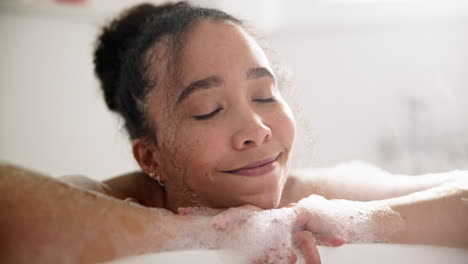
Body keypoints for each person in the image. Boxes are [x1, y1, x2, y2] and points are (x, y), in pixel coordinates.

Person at [1, 2, 467, 264]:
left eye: (265, 96)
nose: (256, 128)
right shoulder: (111, 203)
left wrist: (369, 220)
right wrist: (204, 233)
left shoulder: (313, 199)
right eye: (208, 110)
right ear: (150, 158)